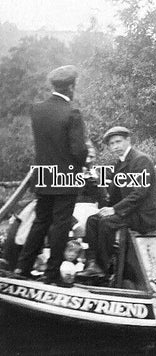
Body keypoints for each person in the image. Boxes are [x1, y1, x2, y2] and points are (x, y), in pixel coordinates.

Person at [15, 65, 88, 283]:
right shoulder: (72, 112)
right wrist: (82, 163)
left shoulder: (36, 109)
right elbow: (78, 150)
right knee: (61, 224)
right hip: (66, 178)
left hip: (43, 176)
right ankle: (51, 273)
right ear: (71, 87)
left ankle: (23, 267)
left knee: (41, 221)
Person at [77, 127, 156, 278]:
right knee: (93, 220)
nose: (115, 146)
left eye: (118, 142)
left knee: (107, 223)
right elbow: (115, 193)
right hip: (132, 211)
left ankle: (103, 268)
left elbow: (140, 193)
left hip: (145, 214)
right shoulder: (120, 163)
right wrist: (105, 203)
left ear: (128, 140)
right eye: (112, 144)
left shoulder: (140, 160)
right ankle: (92, 264)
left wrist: (114, 210)